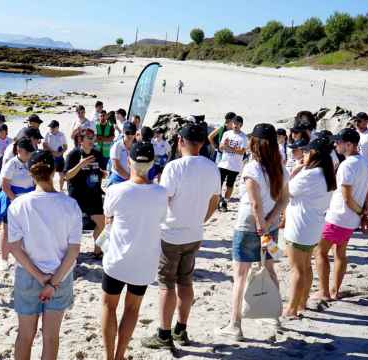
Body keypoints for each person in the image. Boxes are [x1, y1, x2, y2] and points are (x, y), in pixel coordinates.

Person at [141, 123, 220, 350]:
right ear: (203, 143)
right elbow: (214, 200)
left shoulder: (174, 167)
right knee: (185, 281)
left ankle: (164, 334)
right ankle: (181, 329)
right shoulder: (211, 167)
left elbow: (163, 200)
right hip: (194, 232)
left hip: (171, 233)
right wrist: (201, 219)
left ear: (180, 141)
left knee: (166, 284)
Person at [7, 150, 82, 360]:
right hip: (60, 275)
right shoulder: (70, 204)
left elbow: (14, 247)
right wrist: (52, 283)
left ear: (31, 174)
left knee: (24, 335)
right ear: (54, 172)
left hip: (29, 275)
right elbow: (73, 250)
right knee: (51, 337)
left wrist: (41, 278)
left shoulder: (19, 205)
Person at [218, 123, 289, 340]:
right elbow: (284, 199)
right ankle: (275, 317)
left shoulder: (252, 168)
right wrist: (270, 221)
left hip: (249, 226)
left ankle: (235, 325)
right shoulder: (281, 168)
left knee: (240, 276)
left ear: (255, 143)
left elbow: (255, 203)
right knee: (270, 269)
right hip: (271, 228)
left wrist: (261, 223)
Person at [101, 141, 167, 360]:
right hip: (144, 261)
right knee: (132, 309)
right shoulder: (160, 193)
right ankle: (120, 355)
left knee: (109, 307)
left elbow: (108, 216)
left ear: (129, 160)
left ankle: (110, 357)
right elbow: (161, 219)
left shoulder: (116, 190)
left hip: (117, 259)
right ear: (151, 164)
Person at [315, 128, 368, 301]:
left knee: (320, 252)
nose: (335, 144)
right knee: (340, 252)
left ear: (349, 145)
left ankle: (324, 292)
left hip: (338, 216)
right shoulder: (364, 162)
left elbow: (347, 198)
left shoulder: (347, 165)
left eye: (338, 142)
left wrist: (361, 212)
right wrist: (364, 214)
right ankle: (334, 290)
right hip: (350, 219)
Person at [283, 137, 336, 318]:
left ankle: (291, 308)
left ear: (314, 153)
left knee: (297, 269)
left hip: (300, 226)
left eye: (306, 152)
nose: (303, 154)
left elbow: (285, 191)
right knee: (306, 267)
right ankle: (302, 304)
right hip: (313, 225)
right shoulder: (326, 173)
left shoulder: (310, 174)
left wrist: (296, 170)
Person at [0, 138, 36, 270]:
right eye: (27, 152)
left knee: (25, 231)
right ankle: (3, 259)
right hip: (13, 198)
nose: (30, 154)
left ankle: (21, 258)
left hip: (27, 199)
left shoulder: (31, 162)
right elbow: (5, 186)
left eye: (31, 152)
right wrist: (15, 200)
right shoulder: (12, 164)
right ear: (19, 150)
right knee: (6, 231)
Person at [64, 128, 107, 258]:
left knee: (103, 224)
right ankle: (71, 254)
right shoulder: (73, 154)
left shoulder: (97, 154)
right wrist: (80, 165)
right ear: (80, 140)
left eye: (92, 137)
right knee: (74, 228)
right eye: (88, 138)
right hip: (77, 196)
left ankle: (97, 251)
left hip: (94, 194)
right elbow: (66, 176)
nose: (91, 140)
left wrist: (103, 174)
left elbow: (100, 172)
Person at [217, 116, 247, 212]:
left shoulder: (243, 137)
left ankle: (224, 202)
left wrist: (228, 147)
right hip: (223, 163)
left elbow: (241, 152)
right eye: (234, 123)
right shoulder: (226, 133)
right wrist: (224, 146)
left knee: (229, 185)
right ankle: (219, 200)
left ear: (241, 125)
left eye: (238, 124)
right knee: (218, 184)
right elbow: (221, 147)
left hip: (234, 166)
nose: (235, 126)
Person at [108, 122, 136, 186]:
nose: (130, 135)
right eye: (128, 133)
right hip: (118, 179)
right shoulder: (117, 146)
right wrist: (129, 178)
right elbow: (116, 166)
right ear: (123, 132)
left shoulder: (135, 146)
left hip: (130, 179)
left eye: (132, 133)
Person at [43, 120, 68, 190]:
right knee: (51, 175)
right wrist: (52, 152)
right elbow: (44, 145)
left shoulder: (61, 135)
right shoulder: (47, 134)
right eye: (50, 127)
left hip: (59, 156)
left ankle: (61, 189)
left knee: (62, 174)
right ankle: (51, 189)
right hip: (50, 157)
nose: (51, 129)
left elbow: (65, 146)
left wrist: (60, 153)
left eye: (53, 127)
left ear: (57, 127)